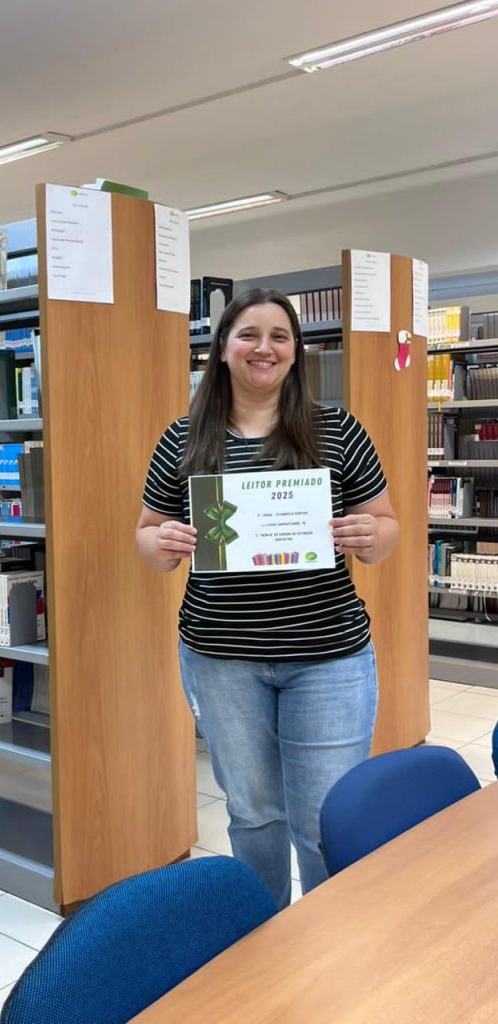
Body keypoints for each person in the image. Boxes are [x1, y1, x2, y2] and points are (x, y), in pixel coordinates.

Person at [135, 288, 399, 910]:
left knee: (326, 820)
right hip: (222, 658)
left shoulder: (337, 429)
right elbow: (147, 534)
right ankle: (265, 942)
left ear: (296, 351)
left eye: (280, 336)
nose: (265, 348)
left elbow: (386, 527)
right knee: (253, 815)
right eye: (249, 335)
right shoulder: (183, 438)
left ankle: (330, 947)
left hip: (328, 657)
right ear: (223, 349)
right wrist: (162, 543)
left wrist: (372, 535)